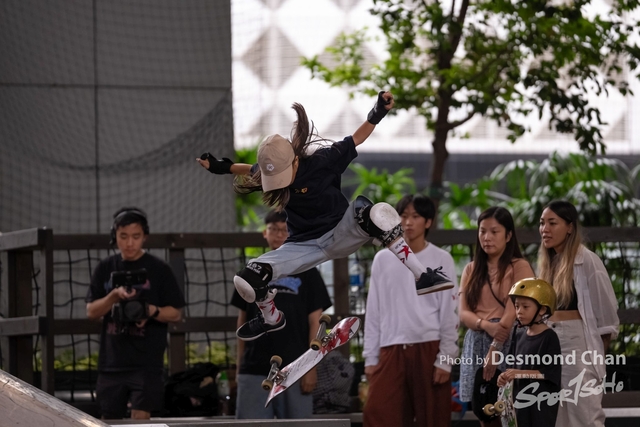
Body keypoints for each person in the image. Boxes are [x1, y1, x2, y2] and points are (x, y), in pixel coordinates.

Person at [198, 91, 452, 340]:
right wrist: (221, 167)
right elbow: (247, 169)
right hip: (303, 245)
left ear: (295, 161)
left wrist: (378, 112)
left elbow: (356, 138)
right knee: (247, 278)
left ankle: (422, 275)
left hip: (343, 230)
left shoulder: (324, 160)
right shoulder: (270, 170)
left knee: (377, 212)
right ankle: (271, 318)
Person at [362, 194, 459, 427]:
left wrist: (445, 359)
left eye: (415, 216)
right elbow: (373, 311)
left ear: (428, 222)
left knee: (433, 418)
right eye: (403, 216)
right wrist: (371, 357)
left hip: (429, 347)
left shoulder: (442, 258)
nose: (408, 222)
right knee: (379, 415)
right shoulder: (382, 259)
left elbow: (450, 312)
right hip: (391, 349)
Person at [85, 207, 185, 419]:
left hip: (147, 362)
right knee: (108, 420)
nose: (129, 243)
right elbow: (91, 311)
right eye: (123, 236)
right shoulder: (105, 268)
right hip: (112, 362)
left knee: (141, 420)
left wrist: (151, 311)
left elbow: (176, 313)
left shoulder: (159, 269)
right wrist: (113, 297)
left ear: (145, 236)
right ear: (115, 236)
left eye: (136, 236)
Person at [231, 210, 332, 419]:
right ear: (264, 233)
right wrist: (239, 368)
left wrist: (310, 367)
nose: (278, 234)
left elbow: (316, 323)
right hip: (254, 368)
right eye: (273, 229)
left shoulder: (308, 271)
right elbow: (242, 321)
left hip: (296, 368)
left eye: (284, 230)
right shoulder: (249, 273)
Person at [538, 200, 619, 427]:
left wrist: (596, 358)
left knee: (584, 412)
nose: (545, 229)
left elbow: (607, 317)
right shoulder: (547, 263)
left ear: (570, 227)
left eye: (552, 223)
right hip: (549, 343)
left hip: (578, 343)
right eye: (542, 223)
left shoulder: (588, 260)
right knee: (555, 414)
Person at [458, 206, 534, 427]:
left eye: (494, 231)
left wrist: (495, 348)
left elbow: (514, 309)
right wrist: (484, 325)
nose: (487, 237)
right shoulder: (471, 269)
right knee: (485, 409)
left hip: (509, 340)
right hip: (477, 340)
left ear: (508, 235)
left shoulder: (519, 266)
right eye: (482, 231)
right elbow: (463, 313)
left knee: (511, 408)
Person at [497, 277, 561, 427]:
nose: (519, 312)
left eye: (525, 307)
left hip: (540, 405)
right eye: (517, 306)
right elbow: (511, 366)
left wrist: (519, 373)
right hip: (519, 402)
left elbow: (550, 373)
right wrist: (504, 376)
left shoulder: (550, 337)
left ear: (542, 310)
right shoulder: (517, 334)